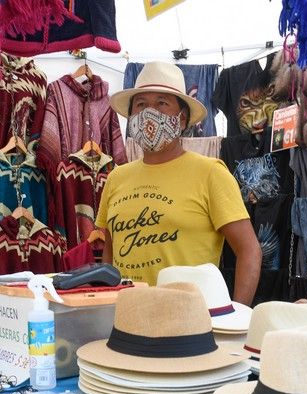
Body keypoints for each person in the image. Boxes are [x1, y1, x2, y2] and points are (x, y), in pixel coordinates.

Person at [96, 62, 261, 304]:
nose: (149, 113)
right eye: (141, 104)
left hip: (191, 325)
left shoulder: (210, 174)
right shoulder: (116, 178)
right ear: (131, 117)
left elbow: (249, 251)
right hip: (127, 320)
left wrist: (235, 317)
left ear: (182, 119)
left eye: (162, 103)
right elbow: (109, 253)